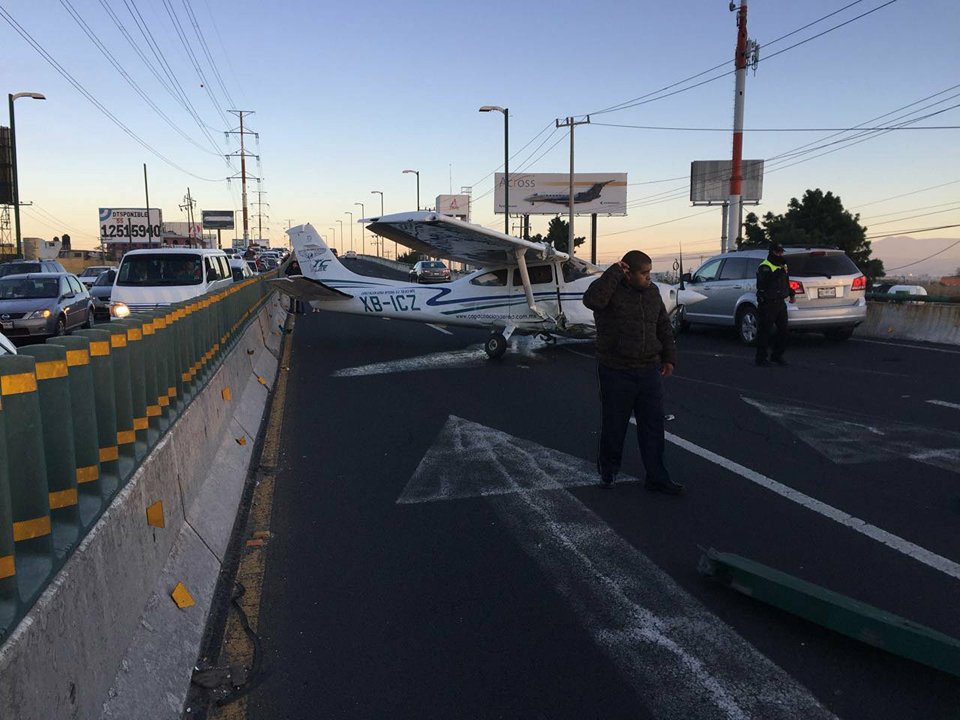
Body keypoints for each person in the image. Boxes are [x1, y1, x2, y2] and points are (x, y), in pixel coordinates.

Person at [583, 250, 683, 494]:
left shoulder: (652, 293)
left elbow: (662, 325)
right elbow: (592, 301)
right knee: (614, 425)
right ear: (628, 272)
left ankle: (657, 477)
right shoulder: (609, 290)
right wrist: (615, 271)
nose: (649, 277)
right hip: (615, 370)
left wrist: (669, 357)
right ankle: (608, 472)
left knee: (653, 426)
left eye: (650, 272)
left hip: (648, 369)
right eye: (644, 273)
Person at [755, 242, 795, 367]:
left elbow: (786, 281)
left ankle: (777, 356)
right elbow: (764, 283)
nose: (780, 254)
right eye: (777, 252)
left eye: (781, 252)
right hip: (768, 303)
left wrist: (791, 293)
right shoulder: (765, 266)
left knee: (784, 331)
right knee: (765, 332)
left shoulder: (783, 265)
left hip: (780, 302)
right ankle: (761, 359)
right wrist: (778, 272)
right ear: (772, 252)